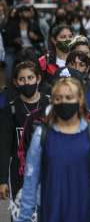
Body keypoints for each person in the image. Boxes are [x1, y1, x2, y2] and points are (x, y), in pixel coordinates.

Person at [15, 78, 90, 222]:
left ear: (80, 100)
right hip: (50, 213)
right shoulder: (42, 135)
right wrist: (23, 218)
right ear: (52, 102)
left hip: (85, 213)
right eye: (58, 98)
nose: (64, 102)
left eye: (69, 97)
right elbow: (30, 183)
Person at [0, 61, 50, 206]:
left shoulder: (50, 105)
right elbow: (3, 147)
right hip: (19, 175)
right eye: (22, 79)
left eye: (30, 78)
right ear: (15, 82)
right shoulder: (10, 110)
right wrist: (3, 179)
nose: (27, 82)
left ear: (38, 79)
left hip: (49, 171)